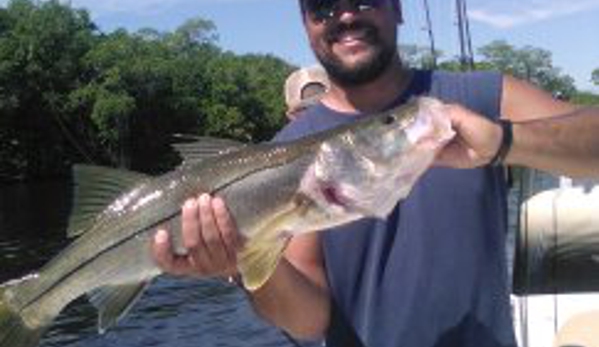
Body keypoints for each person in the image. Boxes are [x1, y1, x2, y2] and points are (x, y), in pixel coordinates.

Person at [152, 1, 599, 346]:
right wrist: (242, 262)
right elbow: (310, 321)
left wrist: (505, 142)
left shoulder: (480, 97)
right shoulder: (285, 155)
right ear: (306, 22)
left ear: (398, 7)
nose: (345, 14)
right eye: (323, 4)